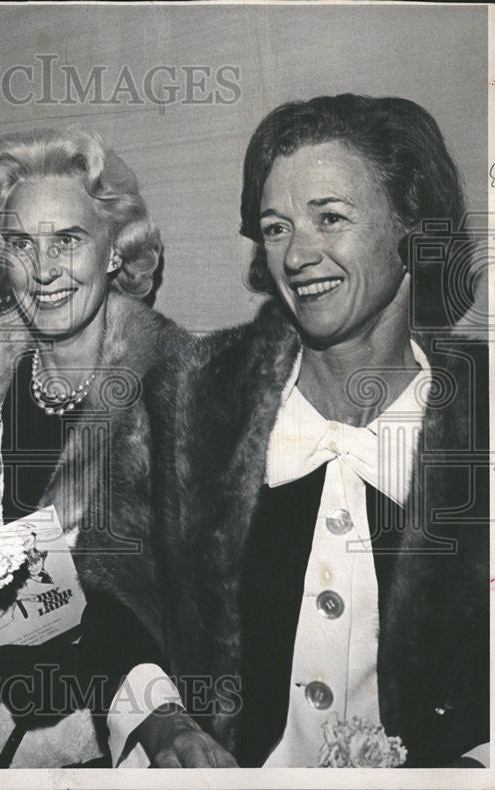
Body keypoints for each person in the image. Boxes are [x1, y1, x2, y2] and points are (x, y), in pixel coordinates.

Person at [137, 94, 488, 767]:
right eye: (275, 227)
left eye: (330, 218)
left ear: (412, 226)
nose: (298, 254)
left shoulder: (482, 417)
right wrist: (163, 725)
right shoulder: (191, 401)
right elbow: (117, 590)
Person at [0, 127, 217, 767]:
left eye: (67, 241)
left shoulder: (179, 402)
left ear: (113, 251)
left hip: (93, 736)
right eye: (22, 243)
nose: (41, 271)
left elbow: (183, 605)